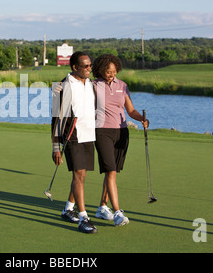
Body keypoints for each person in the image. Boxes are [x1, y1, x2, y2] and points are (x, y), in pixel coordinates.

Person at [92, 54, 149, 226]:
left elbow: (130, 110)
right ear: (101, 70)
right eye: (108, 71)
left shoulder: (122, 85)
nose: (111, 74)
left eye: (114, 71)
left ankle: (102, 207)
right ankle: (117, 212)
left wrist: (141, 119)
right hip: (102, 131)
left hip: (122, 132)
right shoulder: (93, 85)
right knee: (110, 171)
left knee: (113, 171)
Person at [51, 51, 98, 234]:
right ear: (75, 67)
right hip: (73, 135)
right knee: (79, 175)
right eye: (85, 66)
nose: (89, 69)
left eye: (90, 65)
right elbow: (56, 118)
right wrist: (56, 146)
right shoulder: (62, 86)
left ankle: (68, 209)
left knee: (82, 175)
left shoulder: (90, 83)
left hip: (89, 134)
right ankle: (84, 218)